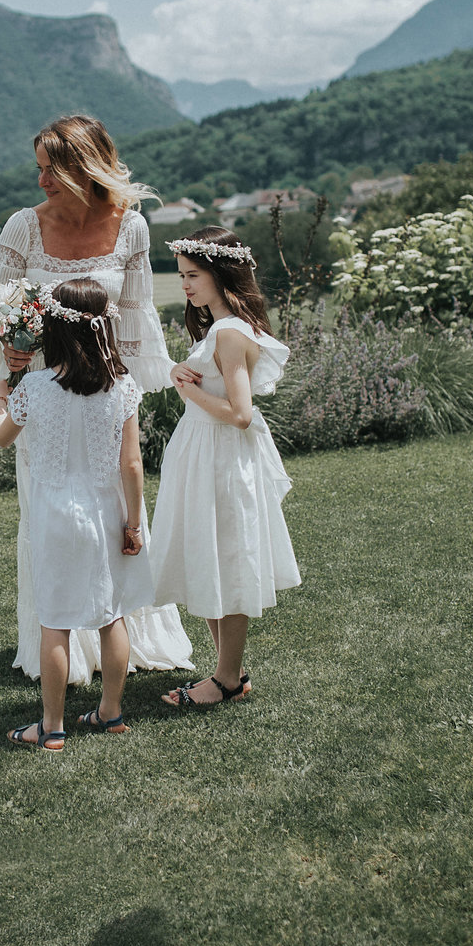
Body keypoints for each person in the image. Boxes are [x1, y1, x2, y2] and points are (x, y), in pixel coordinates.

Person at [0, 113, 194, 684]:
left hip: (109, 386)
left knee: (120, 504)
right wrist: (12, 355)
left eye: (50, 170)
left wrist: (124, 388)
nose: (41, 181)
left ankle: (132, 634)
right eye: (40, 170)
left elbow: (138, 316)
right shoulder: (23, 227)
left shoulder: (133, 227)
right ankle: (59, 644)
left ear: (82, 168)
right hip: (43, 392)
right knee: (51, 512)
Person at [0, 278, 154, 750]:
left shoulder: (36, 387)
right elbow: (132, 463)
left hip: (54, 517)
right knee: (112, 615)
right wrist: (134, 523)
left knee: (54, 622)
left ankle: (53, 726)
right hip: (107, 511)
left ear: (54, 329)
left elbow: (2, 436)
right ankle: (110, 712)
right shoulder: (121, 386)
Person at [149, 226, 301, 708]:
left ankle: (227, 679)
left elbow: (240, 413)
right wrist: (179, 372)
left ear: (221, 273)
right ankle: (222, 674)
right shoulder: (220, 328)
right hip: (203, 452)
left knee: (228, 559)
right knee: (209, 557)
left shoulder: (230, 332)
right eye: (182, 276)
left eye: (193, 275)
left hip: (220, 455)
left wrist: (186, 390)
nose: (186, 286)